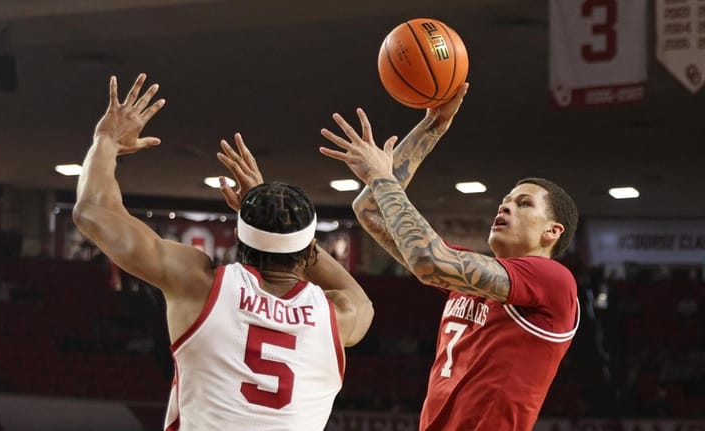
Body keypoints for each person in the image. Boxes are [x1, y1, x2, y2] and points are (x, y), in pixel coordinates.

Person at [72, 73, 374, 430]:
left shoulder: (199, 285)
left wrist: (106, 140)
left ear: (239, 236)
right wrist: (281, 224)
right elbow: (360, 299)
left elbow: (93, 212)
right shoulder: (340, 316)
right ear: (309, 248)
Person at [319, 83, 580, 430]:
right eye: (505, 201)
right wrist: (432, 127)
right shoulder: (469, 275)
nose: (505, 207)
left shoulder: (553, 280)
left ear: (552, 231)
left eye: (524, 203)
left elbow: (428, 262)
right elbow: (369, 210)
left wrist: (382, 176)